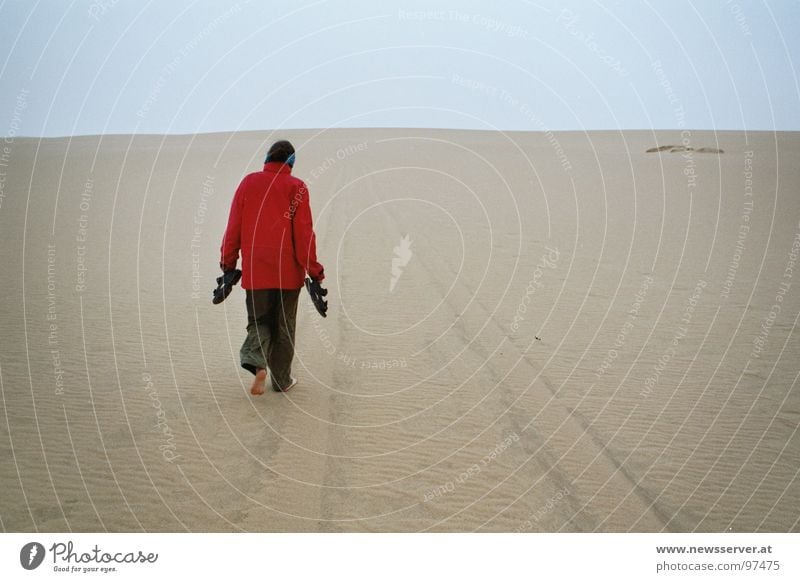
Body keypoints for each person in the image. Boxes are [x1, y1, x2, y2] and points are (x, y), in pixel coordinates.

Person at [219, 140, 325, 395]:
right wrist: (314, 271)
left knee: (259, 320)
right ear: (291, 163)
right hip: (288, 273)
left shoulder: (248, 183)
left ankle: (257, 366)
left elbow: (233, 226)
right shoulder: (297, 187)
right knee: (284, 325)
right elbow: (303, 234)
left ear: (267, 158)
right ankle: (282, 380)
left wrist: (228, 262)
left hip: (256, 271)